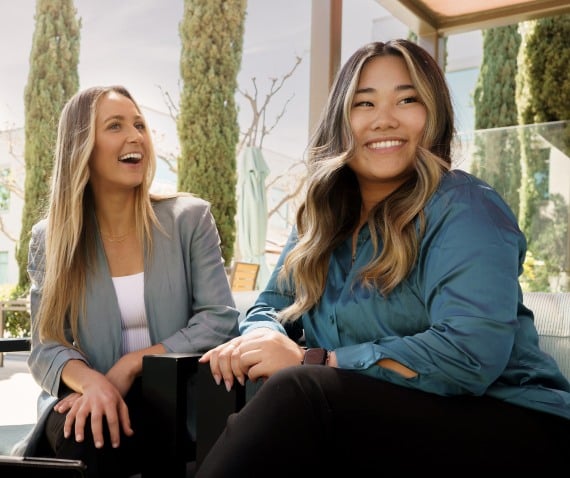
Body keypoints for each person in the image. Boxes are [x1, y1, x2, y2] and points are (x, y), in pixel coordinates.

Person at [198, 39, 570, 476]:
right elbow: (269, 307)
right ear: (341, 119)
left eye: (407, 99)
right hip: (389, 418)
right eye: (364, 103)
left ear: (433, 114)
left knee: (300, 390)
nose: (384, 119)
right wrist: (261, 338)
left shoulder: (465, 208)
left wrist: (312, 360)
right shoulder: (320, 219)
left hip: (514, 425)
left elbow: (468, 355)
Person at [15, 85, 239, 477]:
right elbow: (47, 346)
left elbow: (219, 319)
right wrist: (94, 385)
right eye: (115, 126)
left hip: (179, 405)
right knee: (86, 431)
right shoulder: (51, 238)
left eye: (139, 124)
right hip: (89, 399)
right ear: (82, 145)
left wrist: (131, 365)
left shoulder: (189, 219)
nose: (135, 136)